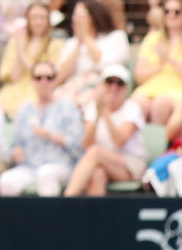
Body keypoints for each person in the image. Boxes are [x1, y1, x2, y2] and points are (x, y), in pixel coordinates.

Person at [0, 60, 84, 196]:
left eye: (49, 78)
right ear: (32, 81)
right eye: (38, 78)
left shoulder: (67, 107)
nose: (43, 82)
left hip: (61, 165)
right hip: (29, 166)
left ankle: (49, 211)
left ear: (55, 81)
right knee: (6, 181)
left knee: (45, 174)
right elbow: (14, 146)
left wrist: (51, 135)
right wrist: (15, 153)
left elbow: (78, 145)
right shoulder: (25, 110)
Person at [63, 65, 148, 196]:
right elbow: (86, 144)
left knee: (95, 152)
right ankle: (94, 210)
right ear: (102, 86)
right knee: (97, 173)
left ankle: (67, 199)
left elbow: (119, 141)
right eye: (110, 82)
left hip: (131, 164)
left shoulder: (132, 108)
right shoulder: (93, 108)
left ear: (126, 88)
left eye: (119, 83)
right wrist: (98, 115)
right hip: (103, 162)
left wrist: (105, 112)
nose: (114, 87)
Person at [0, 0, 65, 118]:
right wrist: (19, 49)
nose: (38, 22)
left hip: (39, 91)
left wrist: (22, 54)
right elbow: (14, 78)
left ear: (48, 21)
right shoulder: (16, 42)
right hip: (14, 90)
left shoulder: (56, 44)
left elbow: (44, 75)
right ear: (28, 20)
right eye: (34, 18)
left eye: (42, 18)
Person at [54, 0, 130, 106]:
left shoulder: (116, 37)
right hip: (73, 88)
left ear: (94, 16)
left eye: (80, 15)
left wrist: (87, 36)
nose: (75, 19)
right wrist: (79, 43)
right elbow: (60, 76)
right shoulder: (72, 43)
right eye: (74, 15)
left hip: (103, 87)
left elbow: (103, 64)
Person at [130, 0, 182, 125]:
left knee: (161, 104)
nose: (171, 15)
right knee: (137, 102)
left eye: (177, 12)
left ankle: (158, 138)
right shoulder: (152, 38)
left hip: (176, 90)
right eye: (167, 11)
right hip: (149, 87)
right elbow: (138, 75)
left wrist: (168, 59)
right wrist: (161, 64)